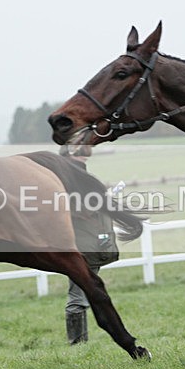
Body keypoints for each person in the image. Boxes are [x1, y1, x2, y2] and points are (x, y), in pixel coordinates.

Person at [59, 145, 121, 345]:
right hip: (81, 245)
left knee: (86, 292)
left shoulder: (78, 178)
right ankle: (77, 344)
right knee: (78, 296)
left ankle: (79, 344)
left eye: (83, 152)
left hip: (92, 242)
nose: (83, 156)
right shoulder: (68, 180)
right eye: (77, 152)